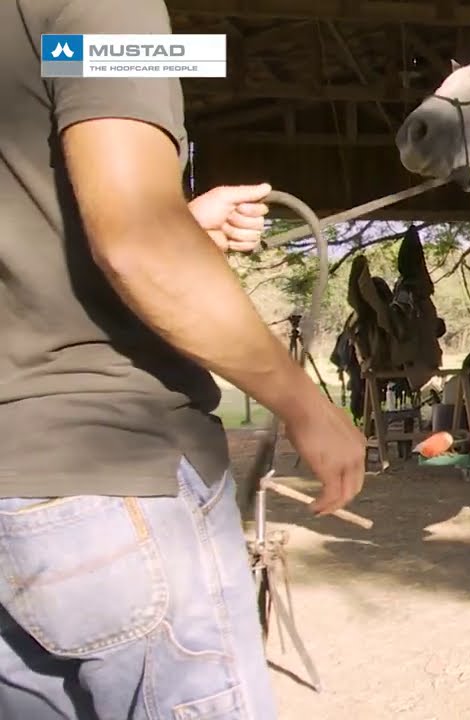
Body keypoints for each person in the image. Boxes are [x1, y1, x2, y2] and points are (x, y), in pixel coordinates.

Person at [0, 1, 367, 718]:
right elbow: (137, 245)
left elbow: (38, 219)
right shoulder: (104, 6)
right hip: (106, 481)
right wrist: (306, 404)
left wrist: (180, 220)